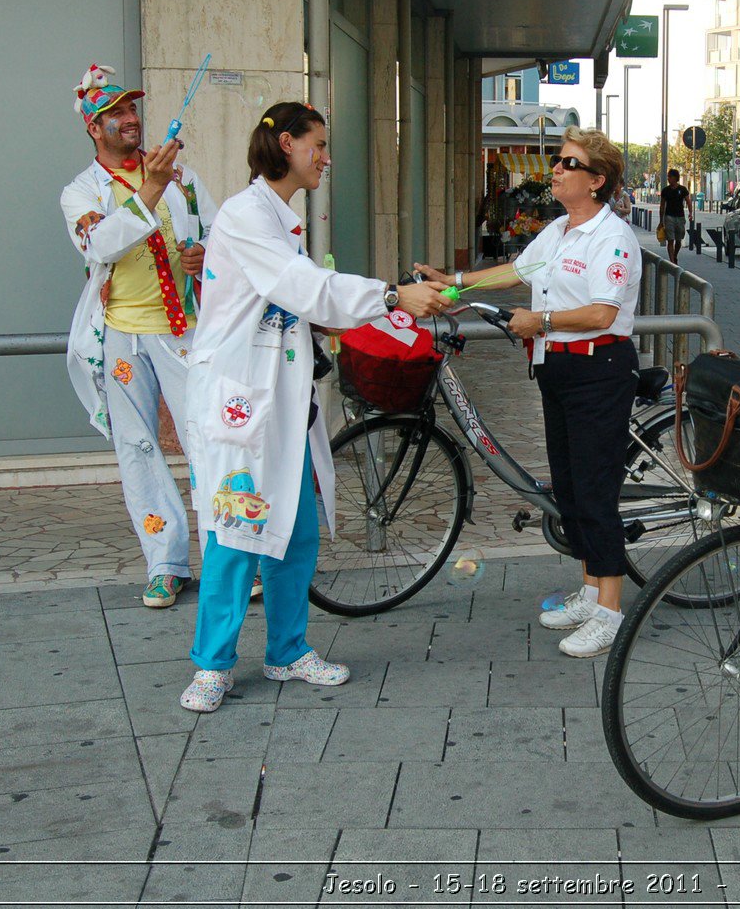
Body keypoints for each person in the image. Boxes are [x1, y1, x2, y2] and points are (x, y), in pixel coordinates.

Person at [179, 101, 449, 712]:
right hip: (242, 403)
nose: (326, 159)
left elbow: (300, 301)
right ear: (284, 146)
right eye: (318, 146)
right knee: (235, 531)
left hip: (282, 401)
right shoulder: (247, 216)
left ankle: (287, 650)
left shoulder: (282, 221)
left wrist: (380, 311)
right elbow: (304, 287)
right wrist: (390, 295)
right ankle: (212, 664)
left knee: (295, 532)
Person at [417, 126, 639, 658]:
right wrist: (453, 283)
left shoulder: (612, 238)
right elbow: (516, 270)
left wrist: (539, 319)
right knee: (568, 487)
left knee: (594, 490)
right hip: (558, 370)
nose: (557, 170)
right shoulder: (560, 231)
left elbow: (602, 313)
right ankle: (590, 591)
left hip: (598, 371)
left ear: (596, 180)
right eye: (558, 161)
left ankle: (611, 610)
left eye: (568, 163)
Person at [61, 63, 219, 609]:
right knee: (137, 449)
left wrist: (206, 255)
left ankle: (228, 560)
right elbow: (99, 245)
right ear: (92, 127)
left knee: (207, 439)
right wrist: (150, 187)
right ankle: (166, 563)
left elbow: (221, 235)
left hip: (186, 333)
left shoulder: (186, 177)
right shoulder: (81, 192)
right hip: (122, 338)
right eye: (116, 113)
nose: (131, 119)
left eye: (131, 108)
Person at [660, 168, 693, 263]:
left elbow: (688, 201)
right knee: (670, 239)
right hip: (669, 217)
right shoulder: (665, 190)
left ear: (675, 178)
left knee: (679, 240)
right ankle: (672, 262)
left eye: (669, 177)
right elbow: (662, 205)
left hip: (680, 217)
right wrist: (661, 221)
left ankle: (674, 255)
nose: (668, 179)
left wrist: (690, 213)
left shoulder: (682, 189)